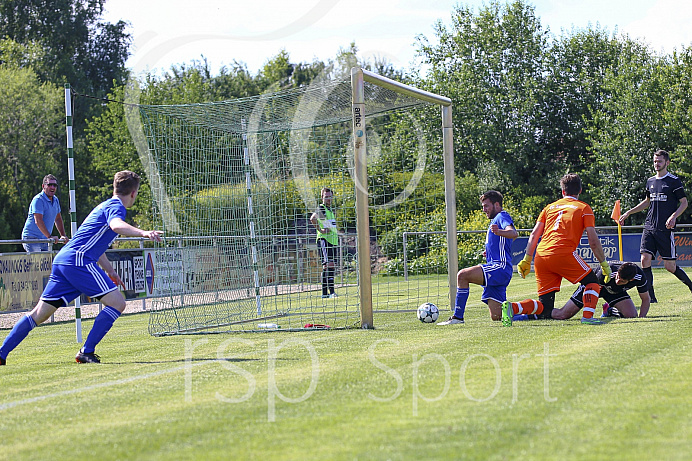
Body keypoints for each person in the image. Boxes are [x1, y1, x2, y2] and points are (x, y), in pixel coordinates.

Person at [0, 171, 162, 365]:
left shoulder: (102, 206)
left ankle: (1, 353)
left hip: (64, 260)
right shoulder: (116, 207)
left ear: (114, 188)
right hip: (78, 261)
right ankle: (86, 352)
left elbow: (96, 245)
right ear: (134, 193)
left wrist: (109, 270)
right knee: (118, 303)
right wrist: (143, 232)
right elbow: (116, 225)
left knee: (38, 315)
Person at [504, 173, 612, 326]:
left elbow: (535, 234)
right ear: (580, 190)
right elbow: (593, 241)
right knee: (592, 282)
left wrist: (527, 259)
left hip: (541, 256)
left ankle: (513, 307)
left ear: (563, 191)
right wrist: (604, 265)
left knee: (546, 308)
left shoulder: (549, 208)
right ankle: (588, 317)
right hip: (563, 253)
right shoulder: (583, 208)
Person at [618, 149, 692, 301]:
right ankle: (651, 298)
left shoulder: (673, 181)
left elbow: (684, 203)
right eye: (654, 161)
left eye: (659, 161)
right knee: (645, 259)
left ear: (667, 162)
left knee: (669, 267)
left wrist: (673, 216)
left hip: (665, 229)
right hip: (649, 227)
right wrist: (628, 212)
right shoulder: (651, 181)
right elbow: (647, 202)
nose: (656, 164)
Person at [438, 190, 518, 325]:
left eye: (486, 206)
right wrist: (489, 252)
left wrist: (499, 231)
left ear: (496, 204)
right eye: (483, 206)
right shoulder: (495, 220)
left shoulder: (502, 216)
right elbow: (502, 243)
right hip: (500, 268)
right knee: (497, 316)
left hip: (500, 268)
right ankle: (533, 313)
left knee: (462, 275)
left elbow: (513, 233)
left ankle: (457, 317)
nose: (484, 209)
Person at [512, 262, 650, 321]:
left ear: (631, 280)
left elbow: (646, 299)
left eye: (622, 282)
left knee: (632, 315)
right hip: (593, 286)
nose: (618, 281)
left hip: (614, 292)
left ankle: (609, 310)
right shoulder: (607, 272)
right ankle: (527, 315)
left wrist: (642, 318)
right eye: (617, 278)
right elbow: (592, 286)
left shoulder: (639, 278)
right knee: (563, 315)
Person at [21, 174, 69, 252]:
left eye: (55, 185)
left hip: (45, 239)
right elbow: (38, 221)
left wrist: (63, 235)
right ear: (43, 186)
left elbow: (58, 219)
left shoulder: (56, 200)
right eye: (50, 185)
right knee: (38, 261)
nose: (52, 187)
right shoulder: (38, 200)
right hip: (32, 238)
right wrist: (49, 236)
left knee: (46, 263)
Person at [310, 187, 338, 298]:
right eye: (326, 197)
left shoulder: (330, 210)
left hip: (332, 240)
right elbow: (313, 218)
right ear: (322, 197)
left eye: (330, 197)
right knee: (328, 265)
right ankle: (331, 292)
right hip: (324, 240)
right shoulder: (321, 208)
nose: (329, 199)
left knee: (329, 266)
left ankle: (325, 294)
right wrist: (320, 230)